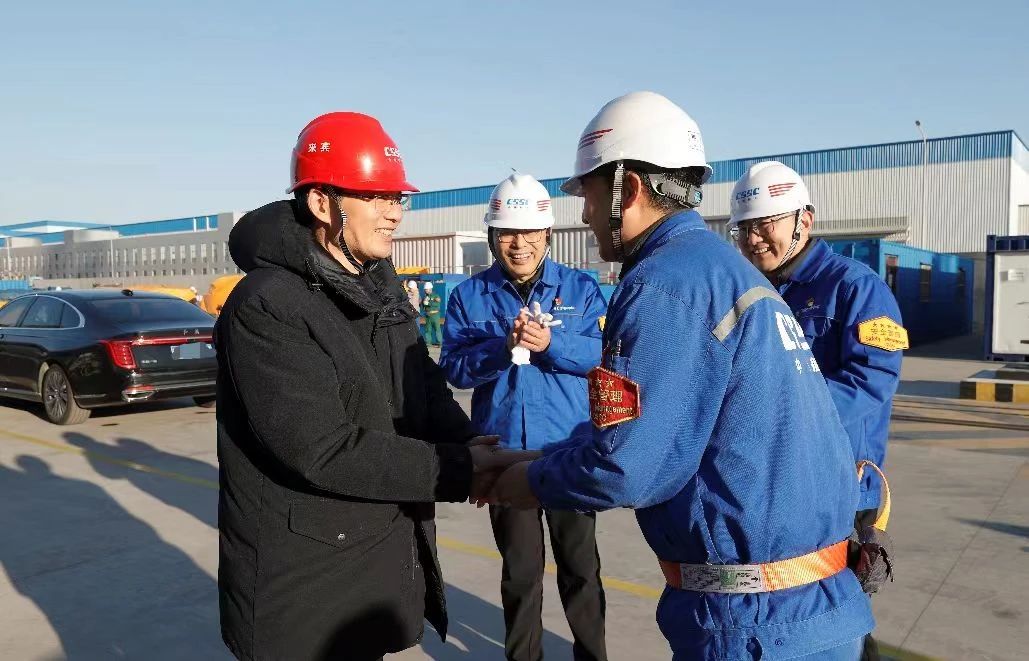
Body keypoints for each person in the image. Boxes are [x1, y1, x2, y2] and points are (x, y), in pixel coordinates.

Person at [489, 91, 874, 659]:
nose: (585, 214)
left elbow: (629, 467)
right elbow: (667, 425)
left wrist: (523, 481)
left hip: (754, 624)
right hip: (811, 605)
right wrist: (539, 457)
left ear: (628, 189)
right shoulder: (726, 271)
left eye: (588, 194)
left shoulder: (664, 284)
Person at [215, 111, 526, 661]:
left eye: (397, 198)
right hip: (305, 584)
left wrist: (469, 446)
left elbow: (422, 384)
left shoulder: (377, 285)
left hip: (371, 560)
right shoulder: (267, 305)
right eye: (376, 197)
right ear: (322, 203)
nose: (395, 212)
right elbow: (320, 447)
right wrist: (460, 469)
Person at [728, 161, 906, 660]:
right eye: (743, 228)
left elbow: (872, 380)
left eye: (766, 224)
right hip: (774, 486)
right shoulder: (749, 291)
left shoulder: (855, 287)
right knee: (790, 620)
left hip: (841, 490)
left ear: (803, 221)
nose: (753, 239)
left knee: (839, 623)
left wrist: (783, 414)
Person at [441, 173, 609, 661]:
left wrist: (552, 343)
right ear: (493, 236)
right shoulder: (468, 297)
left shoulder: (581, 288)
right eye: (508, 234)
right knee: (520, 574)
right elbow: (454, 368)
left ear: (547, 234)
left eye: (530, 233)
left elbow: (605, 357)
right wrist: (502, 347)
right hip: (506, 454)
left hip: (569, 450)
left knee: (581, 570)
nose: (519, 245)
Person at [421, 281, 443, 346]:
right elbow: (423, 305)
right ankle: (428, 342)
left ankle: (439, 342)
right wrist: (423, 303)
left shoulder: (436, 296)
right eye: (425, 290)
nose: (425, 291)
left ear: (430, 289)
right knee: (428, 329)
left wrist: (429, 302)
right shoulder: (425, 297)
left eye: (426, 289)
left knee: (437, 329)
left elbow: (438, 302)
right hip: (428, 315)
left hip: (435, 315)